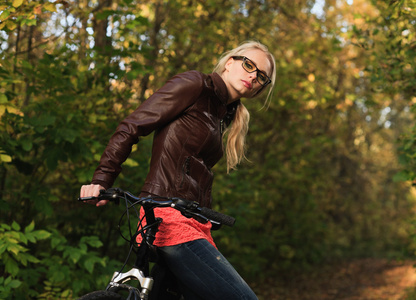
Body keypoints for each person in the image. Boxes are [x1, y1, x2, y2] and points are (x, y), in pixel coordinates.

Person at [80, 41, 276, 300]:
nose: (253, 76)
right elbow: (133, 125)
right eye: (249, 65)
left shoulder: (224, 114)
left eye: (262, 76)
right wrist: (102, 179)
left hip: (194, 221)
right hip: (167, 219)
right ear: (230, 62)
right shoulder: (195, 85)